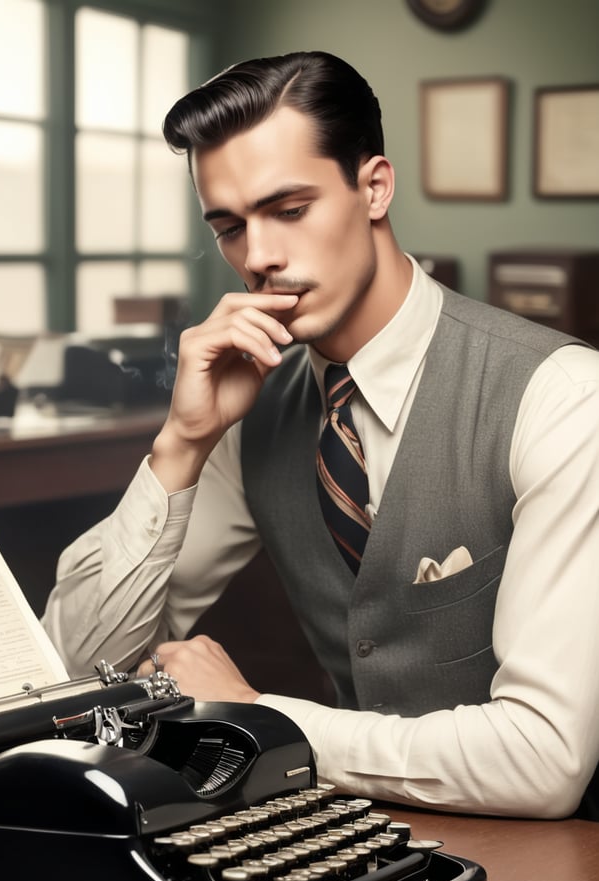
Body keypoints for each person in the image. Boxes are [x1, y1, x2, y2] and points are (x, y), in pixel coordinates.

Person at [42, 51, 599, 820]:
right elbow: (69, 674)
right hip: (357, 840)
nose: (259, 258)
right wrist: (182, 441)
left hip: (563, 861)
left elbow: (543, 762)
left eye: (289, 209)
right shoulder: (254, 411)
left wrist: (258, 717)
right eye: (230, 226)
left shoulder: (560, 397)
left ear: (373, 188)